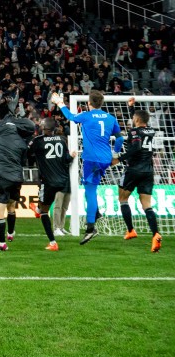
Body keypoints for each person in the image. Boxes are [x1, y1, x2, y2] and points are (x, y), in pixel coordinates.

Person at [51, 89, 123, 245]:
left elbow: (70, 116)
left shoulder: (86, 115)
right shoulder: (111, 118)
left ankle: (91, 228)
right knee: (92, 187)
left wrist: (59, 103)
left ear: (89, 103)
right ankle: (95, 214)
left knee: (90, 191)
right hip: (105, 158)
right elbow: (120, 139)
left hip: (92, 159)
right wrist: (115, 155)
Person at [0, 92, 36, 251]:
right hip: (17, 178)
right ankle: (11, 232)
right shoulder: (21, 141)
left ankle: (2, 243)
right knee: (11, 206)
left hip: (3, 176)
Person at [112, 98, 161, 252]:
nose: (131, 120)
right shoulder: (151, 130)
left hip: (133, 169)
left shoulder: (134, 132)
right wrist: (133, 108)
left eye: (133, 118)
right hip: (148, 171)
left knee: (122, 198)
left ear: (137, 120)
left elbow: (136, 147)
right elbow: (140, 123)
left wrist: (118, 159)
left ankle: (131, 230)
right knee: (146, 204)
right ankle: (155, 234)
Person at [29, 118, 75, 251]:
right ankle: (38, 210)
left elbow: (27, 154)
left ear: (43, 129)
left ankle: (53, 242)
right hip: (64, 180)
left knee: (44, 211)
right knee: (58, 205)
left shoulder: (38, 141)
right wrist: (71, 156)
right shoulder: (62, 140)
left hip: (48, 181)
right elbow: (66, 160)